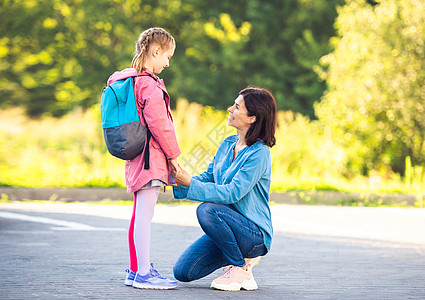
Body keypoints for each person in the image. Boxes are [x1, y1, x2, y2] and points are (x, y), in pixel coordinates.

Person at [171, 87, 277, 291]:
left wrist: (191, 184)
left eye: (237, 107)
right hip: (226, 227)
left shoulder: (260, 153)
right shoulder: (227, 144)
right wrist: (177, 180)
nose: (230, 109)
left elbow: (232, 192)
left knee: (206, 210)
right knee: (183, 272)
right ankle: (240, 260)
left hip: (253, 234)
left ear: (252, 118)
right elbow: (210, 177)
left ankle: (239, 268)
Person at [106, 27, 180, 290]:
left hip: (137, 156)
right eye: (167, 57)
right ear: (155, 51)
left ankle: (136, 269)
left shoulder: (131, 78)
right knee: (144, 216)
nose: (167, 63)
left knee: (139, 214)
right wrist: (173, 156)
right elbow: (160, 124)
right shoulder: (148, 83)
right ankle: (144, 274)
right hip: (151, 158)